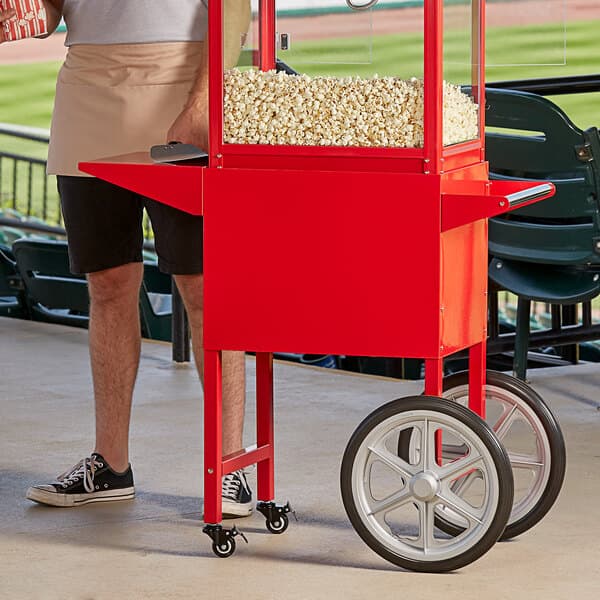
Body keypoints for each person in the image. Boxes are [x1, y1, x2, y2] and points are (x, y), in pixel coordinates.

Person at [0, 0, 253, 517]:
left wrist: (205, 100)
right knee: (107, 284)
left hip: (182, 82)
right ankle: (110, 464)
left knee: (204, 288)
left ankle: (232, 466)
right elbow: (46, 13)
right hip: (86, 88)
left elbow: (235, 5)